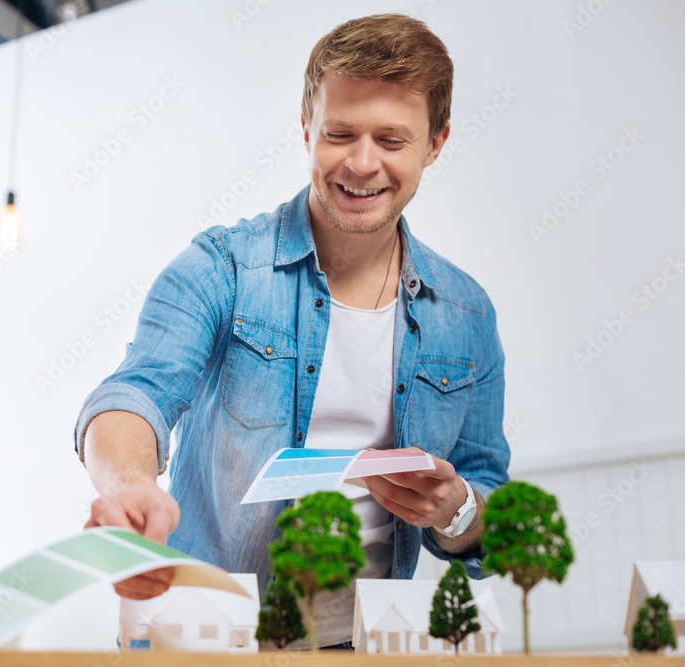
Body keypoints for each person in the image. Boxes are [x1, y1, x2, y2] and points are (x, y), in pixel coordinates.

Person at [73, 13, 510, 647]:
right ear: (307, 128)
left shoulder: (466, 313)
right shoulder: (223, 266)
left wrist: (458, 508)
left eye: (392, 140)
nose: (362, 165)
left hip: (363, 644)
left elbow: (487, 503)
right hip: (207, 634)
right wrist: (131, 490)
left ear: (435, 144)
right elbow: (134, 394)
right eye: (340, 133)